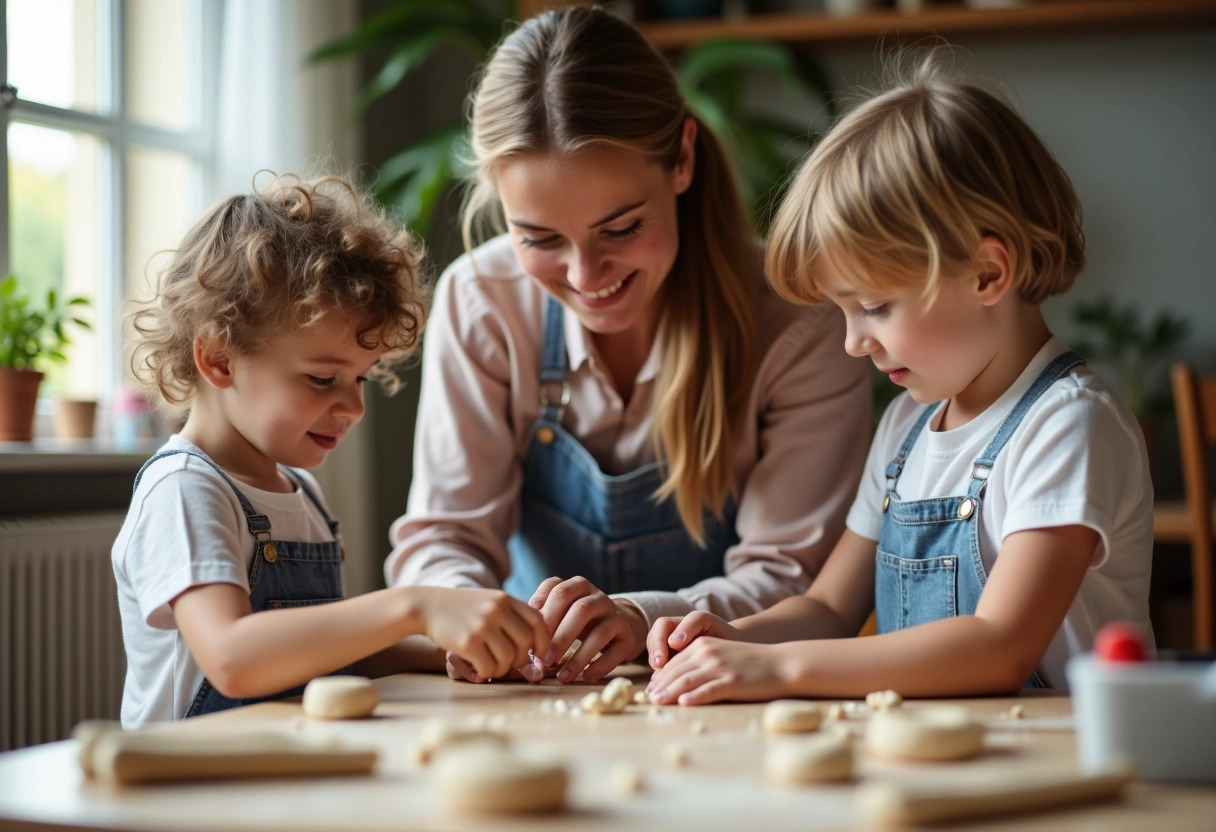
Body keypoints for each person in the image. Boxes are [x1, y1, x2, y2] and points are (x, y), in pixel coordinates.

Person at [644, 55, 1155, 705]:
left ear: (987, 273)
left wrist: (778, 671)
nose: (854, 342)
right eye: (843, 312)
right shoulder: (905, 430)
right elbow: (829, 606)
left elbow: (1000, 647)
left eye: (874, 307)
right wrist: (739, 638)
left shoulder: (1069, 426)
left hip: (1062, 768)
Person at [384, 6, 871, 686]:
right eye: (540, 239)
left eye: (620, 228)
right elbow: (445, 541)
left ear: (683, 160)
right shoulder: (482, 301)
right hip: (531, 690)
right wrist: (466, 614)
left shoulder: (797, 322)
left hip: (720, 695)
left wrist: (646, 619)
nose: (586, 278)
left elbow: (797, 583)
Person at [114, 174, 549, 726]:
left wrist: (450, 650)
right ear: (220, 359)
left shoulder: (301, 495)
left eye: (362, 380)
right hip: (192, 793)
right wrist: (413, 604)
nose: (354, 408)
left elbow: (333, 651)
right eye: (323, 379)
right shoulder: (184, 489)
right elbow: (233, 658)